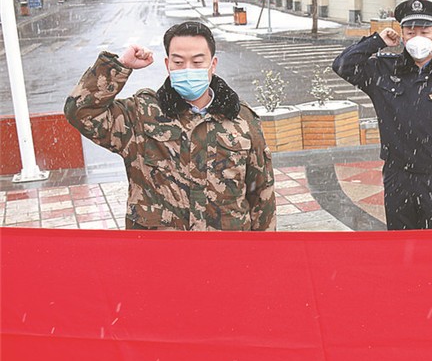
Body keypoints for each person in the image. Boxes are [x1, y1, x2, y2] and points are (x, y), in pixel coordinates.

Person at [64, 21, 276, 231]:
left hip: (225, 248)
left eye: (197, 62)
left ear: (213, 64)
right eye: (178, 62)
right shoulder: (142, 114)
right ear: (168, 64)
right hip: (159, 248)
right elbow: (80, 112)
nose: (188, 69)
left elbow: (261, 195)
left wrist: (264, 249)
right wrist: (120, 67)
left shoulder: (242, 120)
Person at [332, 0, 432, 230]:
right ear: (403, 37)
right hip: (398, 175)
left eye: (424, 32)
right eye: (410, 32)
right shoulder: (384, 71)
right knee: (398, 240)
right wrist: (377, 41)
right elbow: (343, 65)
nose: (417, 38)